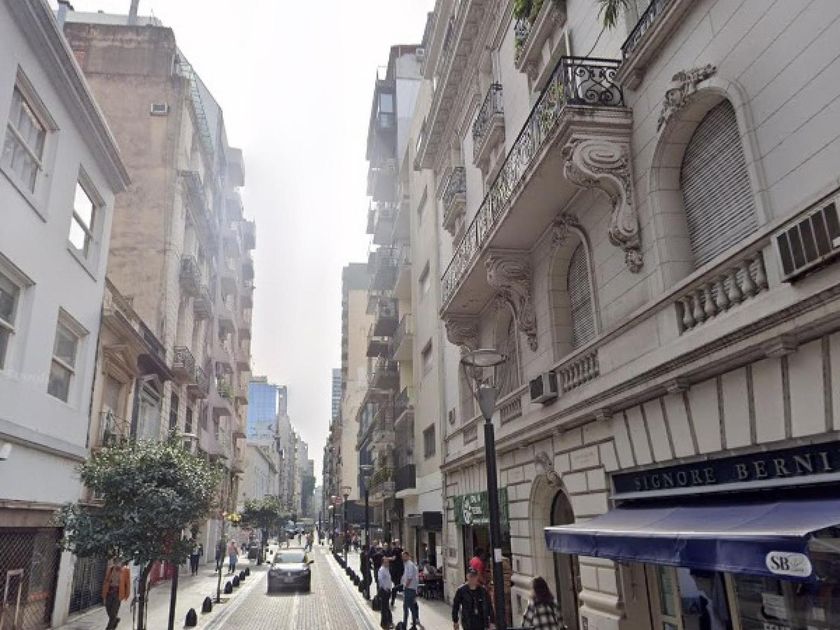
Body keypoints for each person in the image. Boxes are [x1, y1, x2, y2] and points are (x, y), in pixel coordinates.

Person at [101, 559, 130, 630]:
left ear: (121, 562)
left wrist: (127, 594)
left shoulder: (126, 570)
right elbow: (106, 581)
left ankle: (109, 628)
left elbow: (127, 583)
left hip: (118, 594)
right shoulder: (110, 569)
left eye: (119, 562)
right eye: (116, 562)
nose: (117, 564)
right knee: (108, 609)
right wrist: (104, 593)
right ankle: (116, 620)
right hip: (109, 593)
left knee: (114, 612)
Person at [401, 550, 420, 629]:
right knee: (411, 607)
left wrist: (406, 586)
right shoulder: (408, 564)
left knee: (406, 607)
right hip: (411, 588)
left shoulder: (409, 564)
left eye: (405, 556)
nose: (403, 558)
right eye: (403, 556)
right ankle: (413, 624)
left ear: (408, 556)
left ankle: (405, 624)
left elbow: (410, 577)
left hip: (409, 588)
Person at [378, 556, 394, 629]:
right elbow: (380, 580)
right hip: (384, 591)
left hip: (387, 590)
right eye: (385, 562)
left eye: (387, 562)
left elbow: (388, 580)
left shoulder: (386, 569)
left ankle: (387, 621)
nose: (387, 563)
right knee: (384, 608)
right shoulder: (382, 570)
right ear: (382, 563)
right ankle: (385, 623)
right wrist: (385, 588)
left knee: (386, 607)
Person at [389, 540, 404, 608]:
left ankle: (393, 598)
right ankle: (398, 589)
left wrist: (387, 559)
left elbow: (393, 558)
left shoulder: (395, 550)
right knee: (397, 582)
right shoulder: (401, 550)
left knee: (395, 585)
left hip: (395, 569)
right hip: (400, 569)